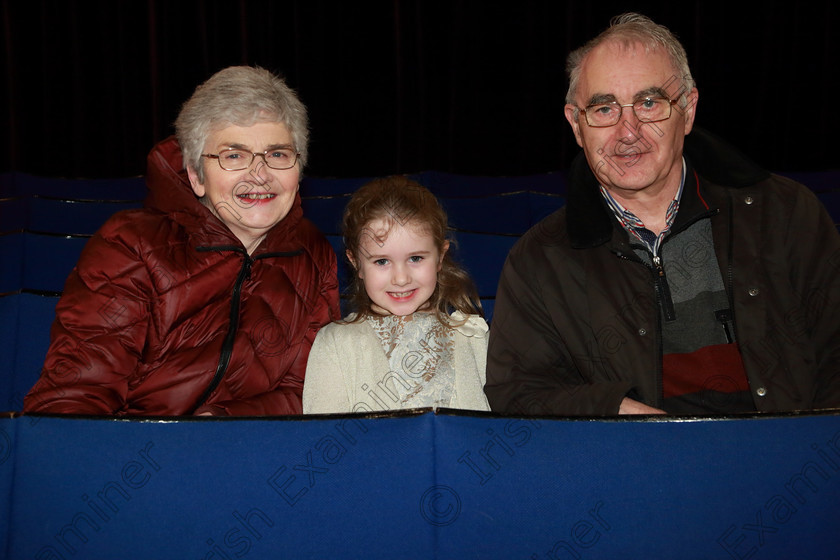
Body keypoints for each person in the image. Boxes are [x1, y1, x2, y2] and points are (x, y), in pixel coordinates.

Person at [485, 13, 840, 416]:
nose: (628, 130)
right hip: (637, 470)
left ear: (687, 110)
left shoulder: (785, 214)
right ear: (576, 124)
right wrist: (624, 415)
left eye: (649, 103)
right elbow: (519, 392)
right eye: (604, 109)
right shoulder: (540, 259)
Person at [23, 66, 340, 416]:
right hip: (131, 453)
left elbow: (306, 391)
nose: (260, 174)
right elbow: (75, 398)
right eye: (234, 155)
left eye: (277, 154)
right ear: (196, 176)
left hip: (247, 449)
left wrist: (221, 424)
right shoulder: (130, 245)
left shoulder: (313, 252)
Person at [303, 176, 490, 413]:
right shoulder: (336, 344)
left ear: (440, 256)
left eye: (415, 258)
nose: (401, 279)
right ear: (356, 263)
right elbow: (323, 436)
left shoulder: (472, 336)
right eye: (382, 261)